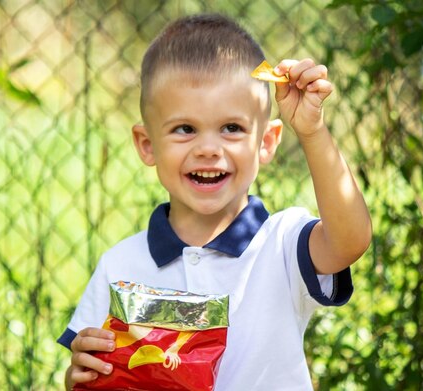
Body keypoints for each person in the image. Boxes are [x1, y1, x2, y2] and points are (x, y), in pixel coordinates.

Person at [58, 13, 372, 390]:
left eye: (232, 128)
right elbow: (96, 373)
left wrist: (312, 131)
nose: (209, 149)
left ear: (267, 142)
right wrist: (79, 374)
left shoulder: (281, 245)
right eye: (185, 129)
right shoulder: (120, 266)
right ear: (147, 145)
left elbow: (350, 241)